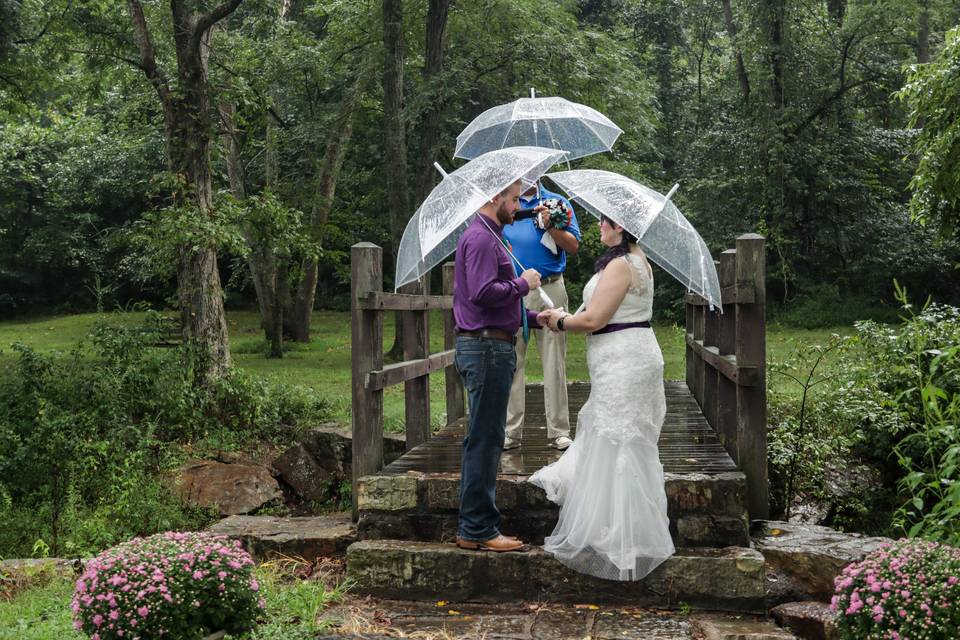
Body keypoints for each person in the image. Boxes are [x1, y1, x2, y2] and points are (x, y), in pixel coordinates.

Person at [532, 213, 675, 580]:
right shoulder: (637, 261)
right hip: (628, 354)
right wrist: (566, 315)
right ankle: (623, 524)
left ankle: (620, 534)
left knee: (621, 439)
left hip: (624, 360)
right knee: (620, 435)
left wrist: (560, 322)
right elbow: (605, 313)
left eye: (604, 221)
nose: (599, 226)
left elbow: (595, 320)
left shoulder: (622, 266)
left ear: (622, 228)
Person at [452, 179, 543, 553]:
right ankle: (477, 529)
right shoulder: (481, 239)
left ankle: (475, 526)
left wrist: (536, 318)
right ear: (495, 197)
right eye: (515, 198)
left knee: (485, 437)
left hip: (493, 344)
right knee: (486, 439)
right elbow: (483, 293)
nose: (518, 205)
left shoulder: (493, 237)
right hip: (486, 349)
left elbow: (498, 303)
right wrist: (523, 284)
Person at [502, 181, 581, 450]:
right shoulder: (508, 203)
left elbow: (573, 246)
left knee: (554, 361)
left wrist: (550, 225)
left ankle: (558, 431)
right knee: (513, 359)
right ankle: (511, 432)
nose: (526, 175)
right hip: (516, 289)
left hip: (551, 287)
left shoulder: (558, 202)